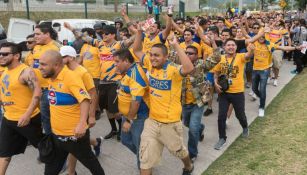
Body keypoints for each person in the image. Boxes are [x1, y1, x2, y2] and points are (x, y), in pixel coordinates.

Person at [133, 24, 195, 175]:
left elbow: (188, 68)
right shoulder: (149, 63)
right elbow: (136, 50)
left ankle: (188, 166)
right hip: (152, 122)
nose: (152, 58)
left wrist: (175, 45)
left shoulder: (173, 70)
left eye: (157, 55)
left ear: (165, 57)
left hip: (170, 124)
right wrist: (139, 32)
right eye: (151, 54)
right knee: (145, 160)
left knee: (179, 151)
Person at [39, 50, 105, 175]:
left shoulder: (71, 77)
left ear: (56, 65)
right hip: (56, 135)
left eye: (43, 64)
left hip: (73, 136)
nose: (40, 68)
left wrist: (82, 123)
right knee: (51, 170)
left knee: (91, 163)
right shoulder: (51, 77)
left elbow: (85, 99)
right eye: (39, 64)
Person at [0, 42, 43, 174]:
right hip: (8, 119)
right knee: (4, 153)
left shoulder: (26, 72)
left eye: (5, 54)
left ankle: (65, 159)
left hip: (28, 120)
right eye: (0, 54)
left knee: (46, 149)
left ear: (17, 55)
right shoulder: (6, 70)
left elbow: (38, 92)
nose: (1, 56)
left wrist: (27, 114)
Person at [59, 46, 103, 175]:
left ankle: (71, 172)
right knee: (74, 143)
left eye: (63, 57)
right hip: (67, 114)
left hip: (80, 115)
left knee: (75, 144)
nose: (60, 60)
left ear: (71, 57)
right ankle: (95, 142)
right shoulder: (62, 71)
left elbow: (93, 94)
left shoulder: (82, 72)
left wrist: (91, 116)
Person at [212, 38, 254, 150]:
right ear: (224, 47)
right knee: (221, 116)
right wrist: (215, 84)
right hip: (224, 93)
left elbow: (248, 56)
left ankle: (245, 127)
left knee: (240, 115)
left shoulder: (240, 56)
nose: (231, 47)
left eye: (233, 45)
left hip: (238, 92)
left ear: (236, 47)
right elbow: (216, 73)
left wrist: (251, 50)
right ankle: (222, 138)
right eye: (228, 45)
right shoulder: (220, 58)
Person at [114, 48, 149, 169]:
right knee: (125, 140)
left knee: (139, 145)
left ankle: (144, 167)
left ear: (127, 61)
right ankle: (145, 160)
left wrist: (129, 120)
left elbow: (136, 101)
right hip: (128, 115)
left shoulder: (135, 75)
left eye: (117, 61)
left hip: (138, 117)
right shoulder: (128, 72)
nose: (115, 64)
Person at [33, 23, 60, 134]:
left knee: (48, 119)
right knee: (42, 118)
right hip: (36, 88)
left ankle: (52, 145)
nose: (35, 37)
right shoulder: (37, 47)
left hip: (48, 89)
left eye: (38, 34)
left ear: (47, 34)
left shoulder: (55, 48)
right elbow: (34, 65)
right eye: (34, 34)